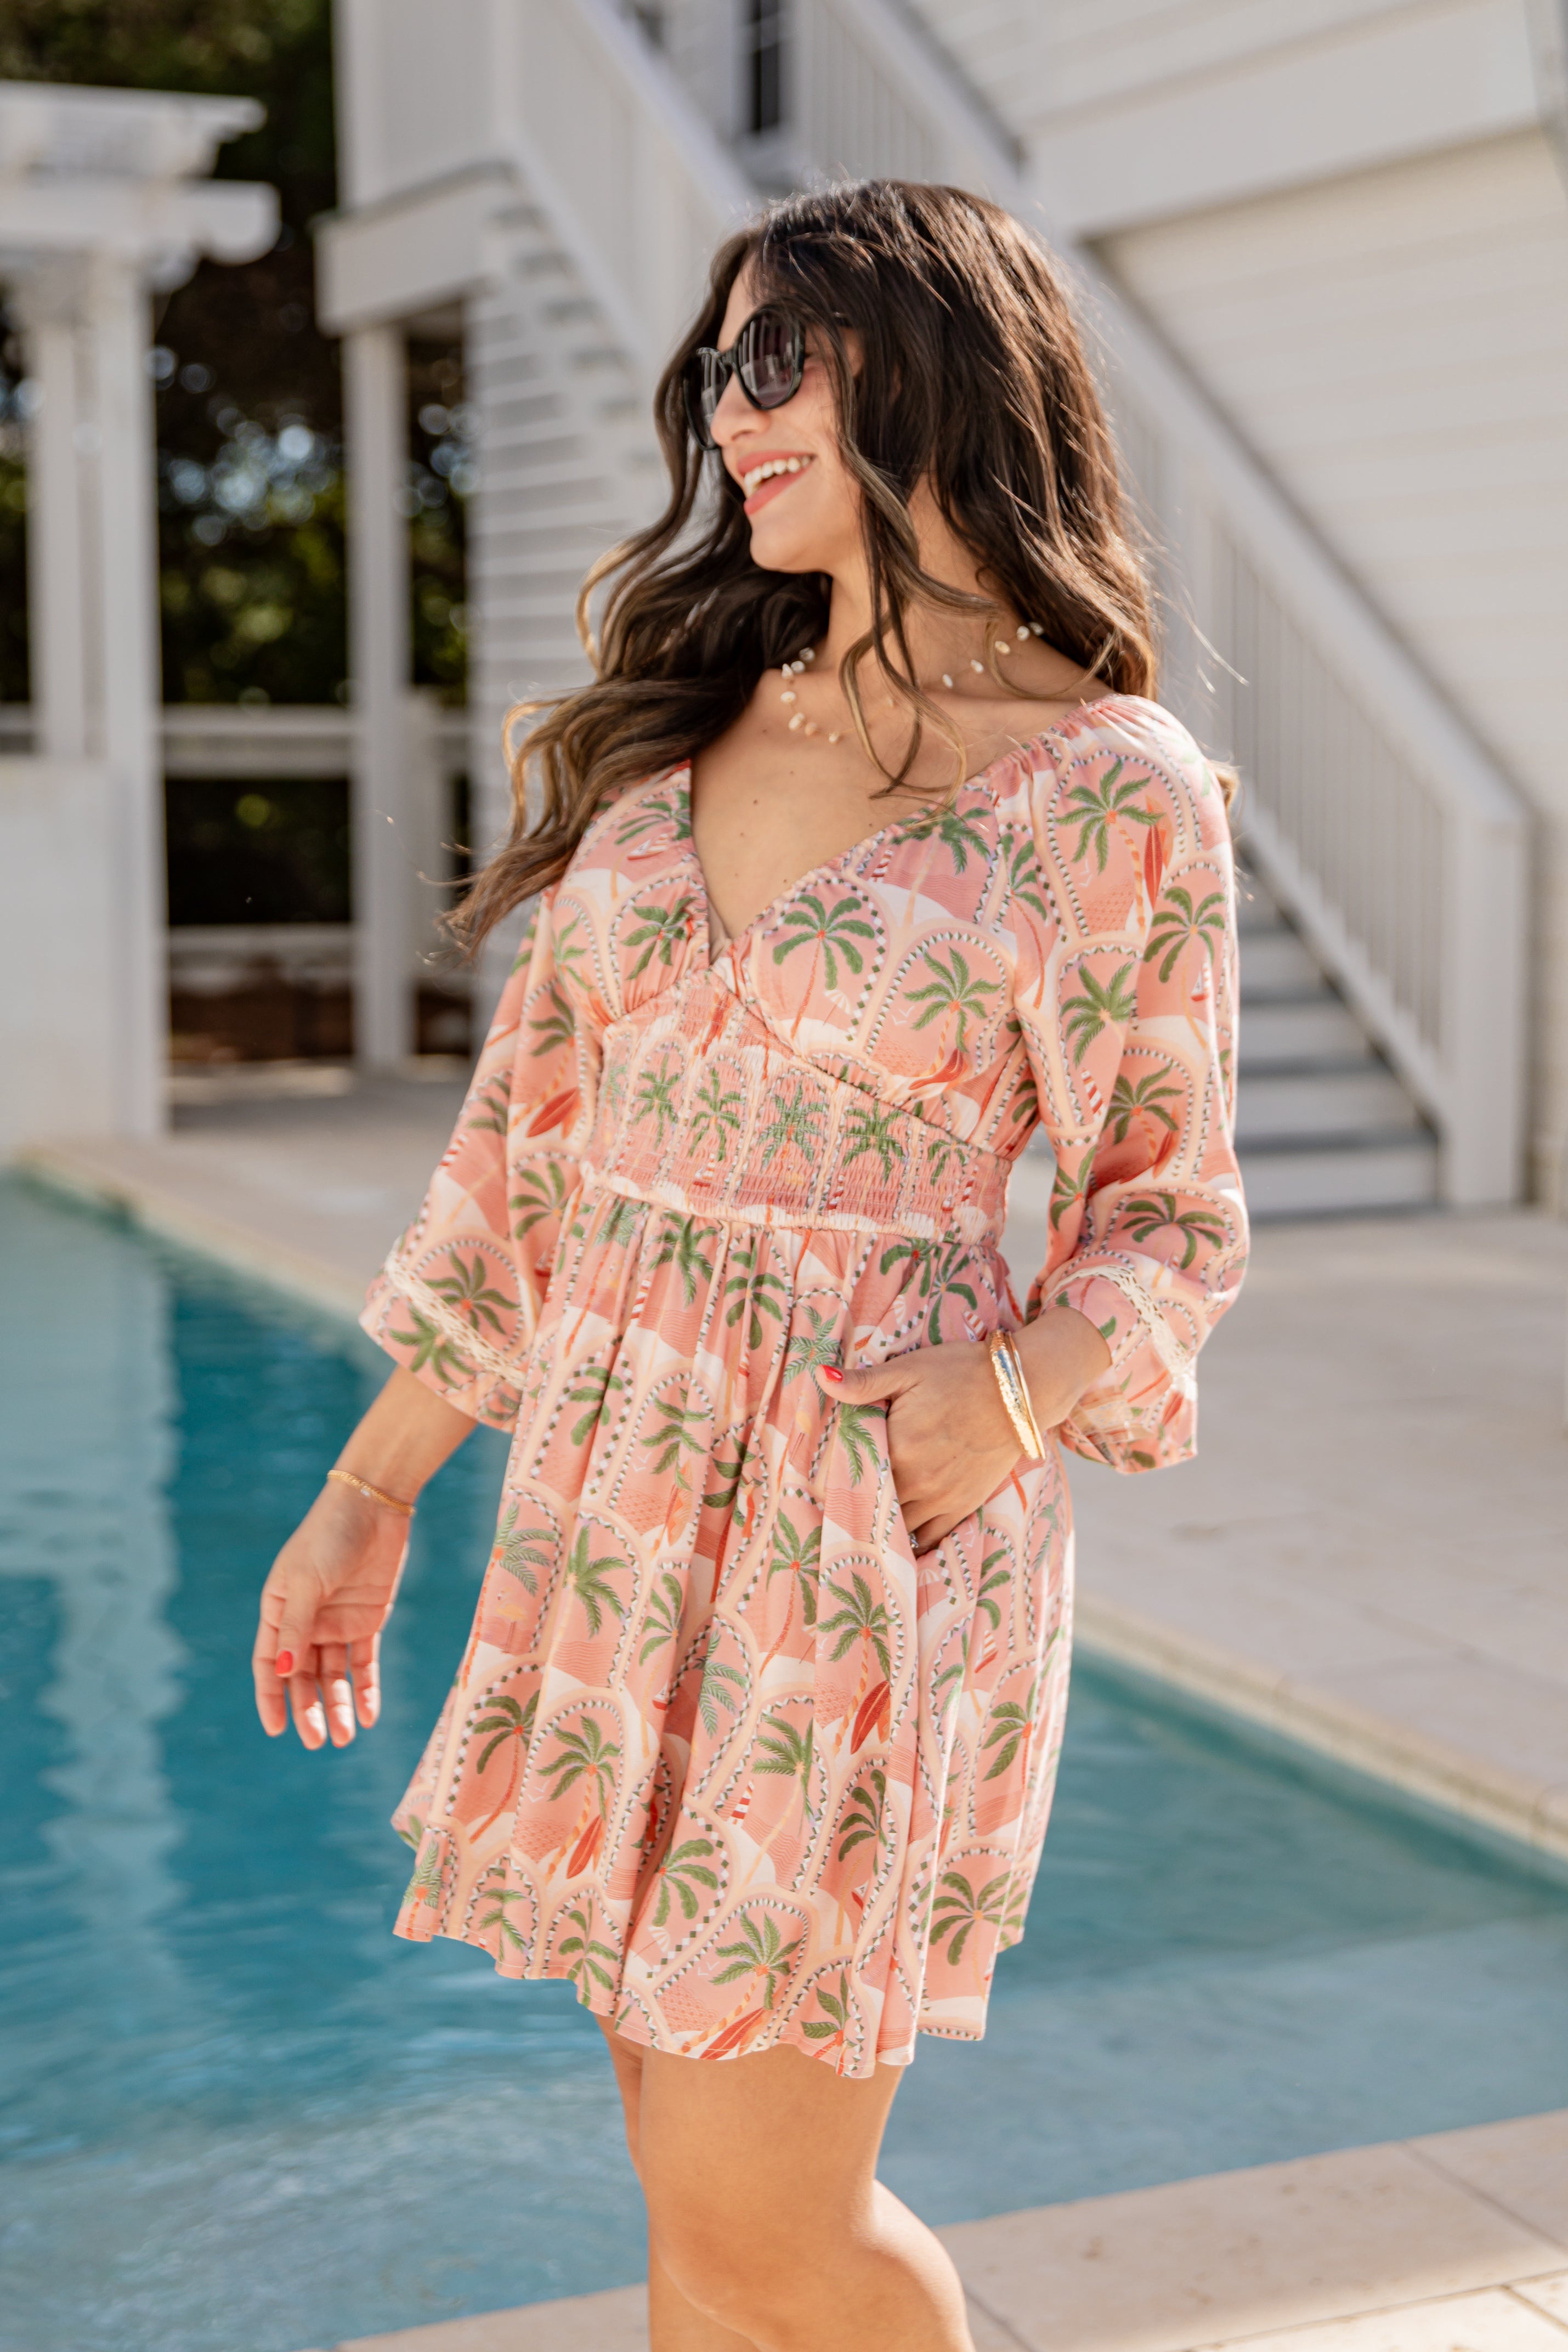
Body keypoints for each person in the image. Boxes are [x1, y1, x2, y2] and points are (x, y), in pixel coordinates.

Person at [253, 179, 1247, 2352]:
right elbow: (524, 1177)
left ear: (935, 365)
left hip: (852, 1534)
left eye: (774, 356)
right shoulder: (686, 737)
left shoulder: (1104, 788)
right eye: (716, 368)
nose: (731, 411)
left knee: (758, 2222)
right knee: (686, 2213)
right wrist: (367, 1491)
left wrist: (1001, 1398)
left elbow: (1168, 1212)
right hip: (607, 1518)